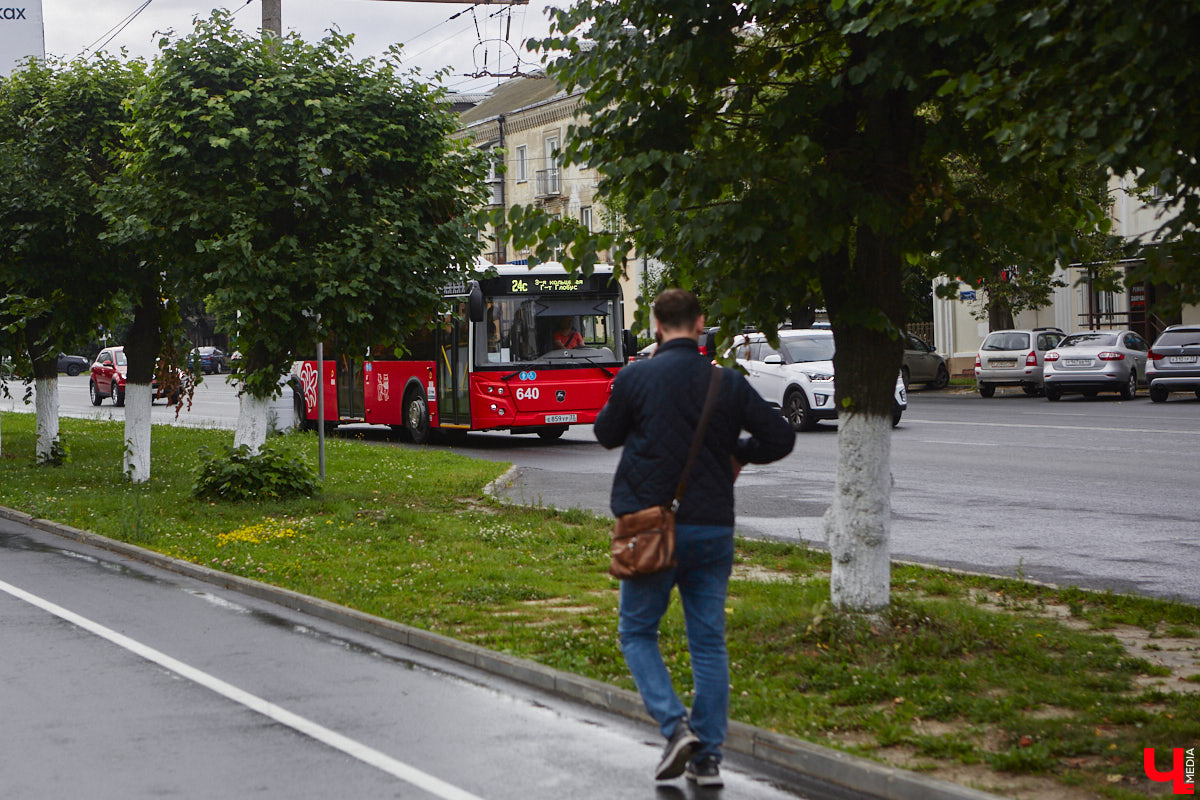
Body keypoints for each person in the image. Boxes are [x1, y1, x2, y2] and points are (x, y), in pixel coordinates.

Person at [593, 289, 794, 787]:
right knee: (707, 642)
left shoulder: (636, 377)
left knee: (637, 632)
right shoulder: (727, 383)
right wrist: (738, 453)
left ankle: (675, 726)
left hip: (649, 528)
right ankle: (707, 759)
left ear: (657, 326)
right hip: (711, 526)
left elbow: (605, 433)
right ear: (701, 323)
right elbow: (781, 436)